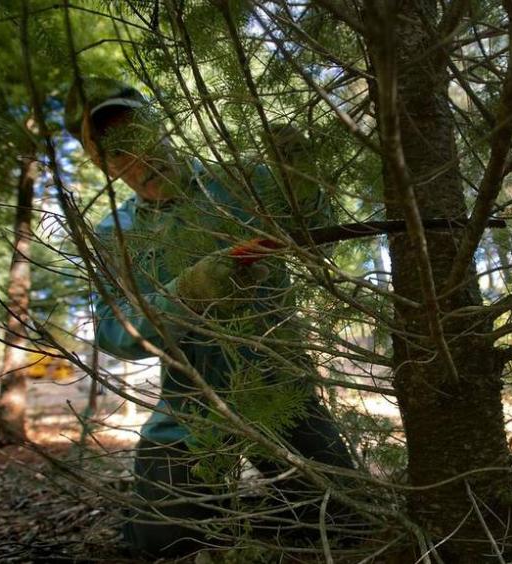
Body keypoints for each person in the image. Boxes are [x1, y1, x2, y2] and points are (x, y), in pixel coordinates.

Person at [64, 78, 355, 558]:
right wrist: (189, 293)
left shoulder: (247, 181)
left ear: (160, 124)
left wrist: (309, 190)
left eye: (138, 135)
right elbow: (113, 333)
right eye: (117, 153)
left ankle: (275, 523)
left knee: (348, 519)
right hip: (188, 413)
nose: (138, 159)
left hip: (281, 395)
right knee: (162, 544)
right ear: (103, 165)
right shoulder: (113, 233)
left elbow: (322, 242)